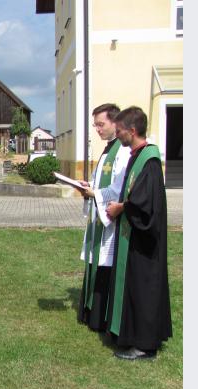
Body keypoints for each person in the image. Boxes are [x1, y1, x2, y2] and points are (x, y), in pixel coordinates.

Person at [104, 106, 172, 360]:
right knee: (132, 287)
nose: (117, 134)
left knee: (144, 289)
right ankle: (130, 336)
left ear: (132, 131)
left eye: (120, 130)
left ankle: (145, 345)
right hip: (134, 238)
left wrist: (122, 207)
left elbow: (144, 205)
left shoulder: (149, 162)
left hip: (145, 242)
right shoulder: (137, 155)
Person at [75, 104, 131, 332]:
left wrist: (95, 194)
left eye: (101, 124)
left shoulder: (123, 151)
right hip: (100, 216)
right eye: (95, 125)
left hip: (112, 221)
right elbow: (104, 182)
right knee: (97, 263)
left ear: (115, 122)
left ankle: (102, 316)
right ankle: (92, 313)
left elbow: (121, 188)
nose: (96, 129)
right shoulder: (109, 150)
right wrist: (91, 187)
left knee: (106, 264)